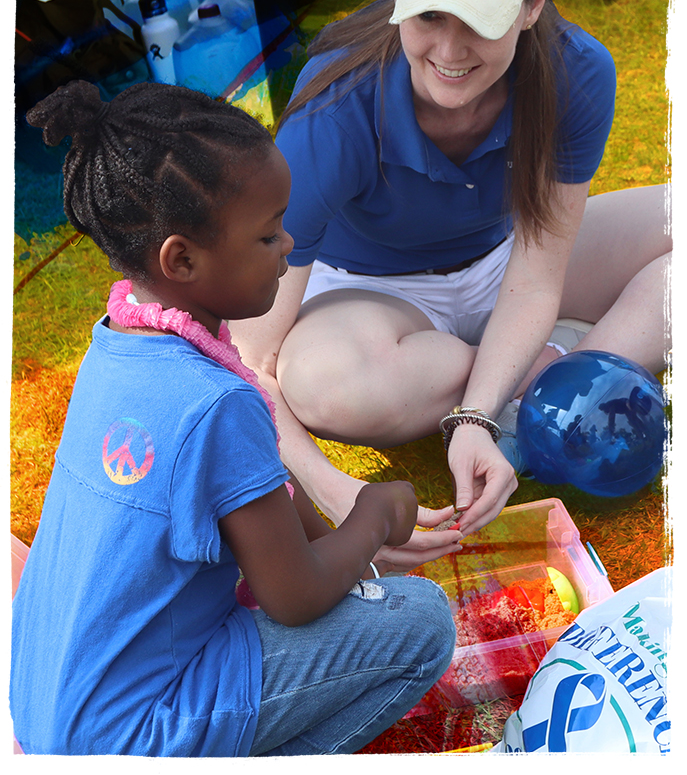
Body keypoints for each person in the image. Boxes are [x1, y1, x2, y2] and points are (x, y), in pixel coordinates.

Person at [228, 0, 671, 569]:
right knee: (318, 381)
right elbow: (246, 358)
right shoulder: (335, 107)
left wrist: (474, 417)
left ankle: (548, 378)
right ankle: (559, 373)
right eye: (429, 13)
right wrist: (331, 488)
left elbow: (535, 271)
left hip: (505, 266)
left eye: (479, 18)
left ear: (533, 3)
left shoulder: (576, 71)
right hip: (372, 297)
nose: (449, 48)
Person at [10, 81, 457, 757]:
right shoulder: (215, 403)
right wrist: (373, 518)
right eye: (267, 233)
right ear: (182, 258)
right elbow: (295, 596)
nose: (289, 243)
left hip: (50, 711)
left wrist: (340, 543)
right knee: (420, 622)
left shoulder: (117, 344)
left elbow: (259, 491)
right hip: (129, 737)